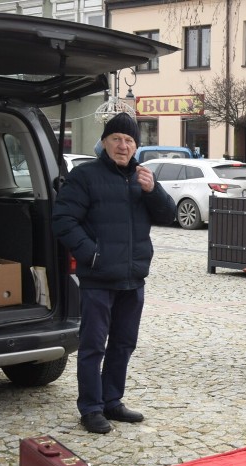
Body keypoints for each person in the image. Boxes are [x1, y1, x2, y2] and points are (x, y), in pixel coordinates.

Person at [52, 112, 176, 434]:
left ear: (136, 146)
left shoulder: (142, 178)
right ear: (105, 142)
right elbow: (63, 219)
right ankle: (91, 408)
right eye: (117, 139)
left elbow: (169, 214)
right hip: (98, 279)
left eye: (129, 140)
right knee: (93, 346)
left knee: (123, 344)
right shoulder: (85, 175)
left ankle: (112, 401)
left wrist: (154, 190)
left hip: (133, 279)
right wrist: (91, 253)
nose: (123, 146)